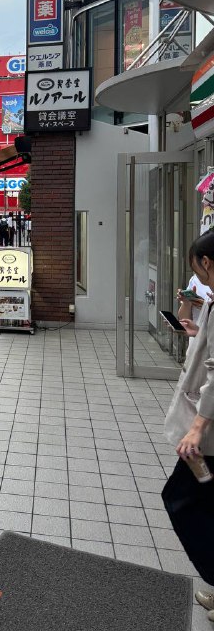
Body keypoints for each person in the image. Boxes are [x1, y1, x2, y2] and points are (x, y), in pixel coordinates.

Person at [163, 232, 214, 618]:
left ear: (206, 262)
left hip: (209, 434)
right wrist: (197, 335)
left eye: (199, 268)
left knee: (182, 499)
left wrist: (197, 426)